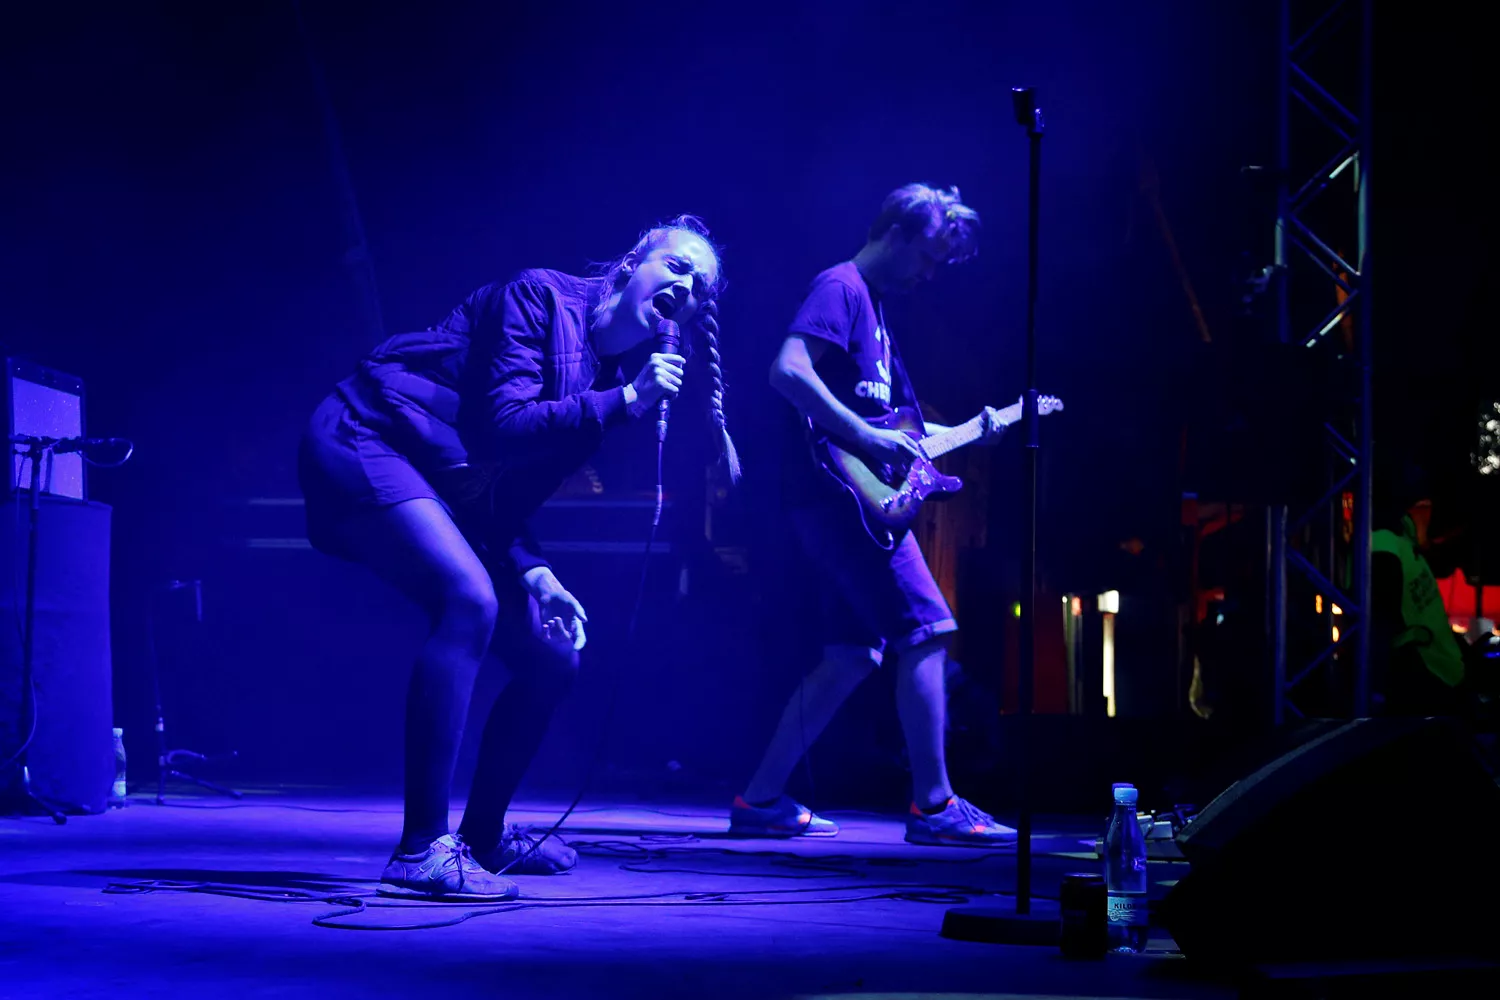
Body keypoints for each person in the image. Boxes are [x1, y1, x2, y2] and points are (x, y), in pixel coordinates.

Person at [299, 215, 739, 900]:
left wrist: (534, 568)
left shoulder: (606, 372)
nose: (685, 288)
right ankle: (420, 850)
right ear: (631, 264)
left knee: (551, 657)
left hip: (439, 478)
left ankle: (481, 834)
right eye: (676, 267)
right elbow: (506, 425)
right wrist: (625, 402)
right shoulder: (540, 297)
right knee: (468, 601)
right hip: (369, 435)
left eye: (700, 287)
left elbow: (498, 487)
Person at [731, 183, 1015, 846]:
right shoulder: (841, 287)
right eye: (931, 255)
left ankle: (760, 798)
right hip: (842, 506)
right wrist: (862, 436)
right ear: (896, 231)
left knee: (851, 656)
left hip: (834, 506)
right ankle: (935, 806)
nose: (933, 272)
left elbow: (897, 430)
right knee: (929, 631)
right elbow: (787, 372)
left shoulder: (877, 311)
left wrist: (972, 430)